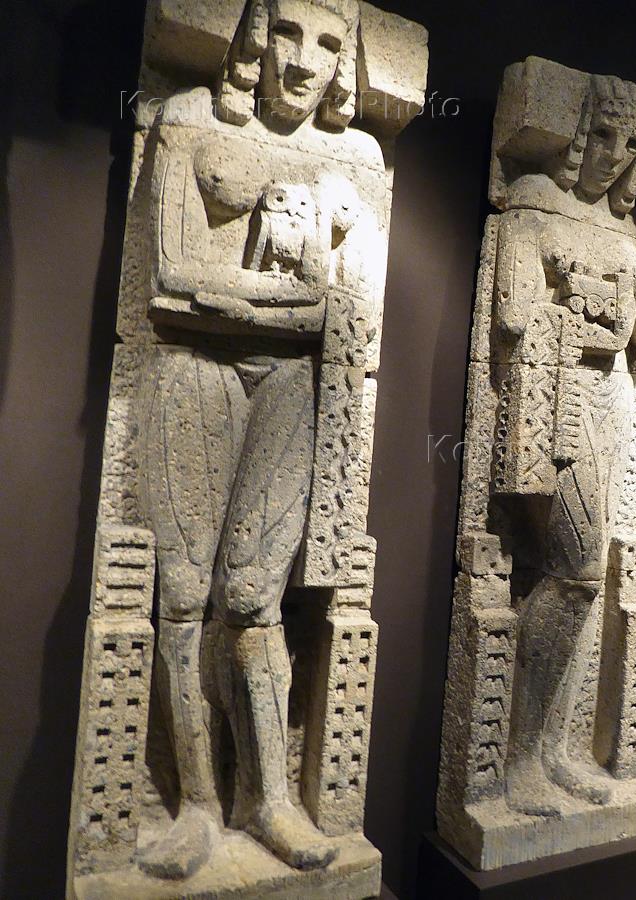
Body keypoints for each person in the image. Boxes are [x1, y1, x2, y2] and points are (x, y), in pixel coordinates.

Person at [136, 0, 383, 878]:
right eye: (288, 32)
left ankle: (269, 797)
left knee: (249, 596)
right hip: (191, 370)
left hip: (289, 386)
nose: (305, 59)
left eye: (328, 42)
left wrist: (234, 299)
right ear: (253, 35)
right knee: (181, 591)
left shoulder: (356, 159)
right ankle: (196, 803)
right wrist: (283, 302)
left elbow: (352, 307)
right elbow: (168, 274)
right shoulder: (189, 118)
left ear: (345, 61)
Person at [489, 75, 636, 816]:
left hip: (612, 405)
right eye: (603, 136)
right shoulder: (534, 199)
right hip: (554, 401)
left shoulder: (625, 231)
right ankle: (518, 756)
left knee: (583, 579)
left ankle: (556, 750)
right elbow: (512, 313)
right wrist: (588, 315)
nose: (614, 155)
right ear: (577, 132)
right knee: (577, 569)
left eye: (632, 146)